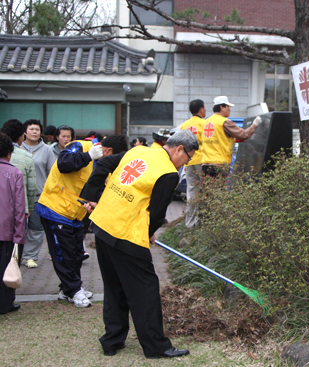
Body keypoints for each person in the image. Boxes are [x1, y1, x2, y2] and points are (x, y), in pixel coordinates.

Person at [81, 130, 198, 359]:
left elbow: (103, 163)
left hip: (103, 225)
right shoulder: (168, 173)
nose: (187, 163)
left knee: (114, 286)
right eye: (189, 158)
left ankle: (112, 340)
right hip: (127, 235)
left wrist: (92, 196)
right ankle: (156, 346)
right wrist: (149, 232)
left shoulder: (138, 150)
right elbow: (156, 214)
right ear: (179, 149)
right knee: (145, 289)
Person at [36, 134, 129, 308]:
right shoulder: (80, 146)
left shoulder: (103, 164)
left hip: (76, 214)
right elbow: (63, 164)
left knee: (77, 253)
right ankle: (74, 290)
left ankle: (68, 289)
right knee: (63, 254)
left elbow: (99, 189)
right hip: (56, 209)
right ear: (108, 151)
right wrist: (88, 157)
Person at [21, 119, 57, 269]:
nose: (34, 132)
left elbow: (51, 173)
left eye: (37, 129)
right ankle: (16, 255)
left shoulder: (47, 150)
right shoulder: (17, 148)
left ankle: (30, 256)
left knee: (36, 228)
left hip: (39, 194)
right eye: (31, 129)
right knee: (19, 228)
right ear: (25, 132)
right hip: (20, 195)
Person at [201, 96, 262, 177]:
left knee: (208, 189)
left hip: (205, 165)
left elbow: (219, 138)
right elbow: (243, 135)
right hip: (218, 166)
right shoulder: (224, 122)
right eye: (227, 107)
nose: (229, 109)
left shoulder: (205, 122)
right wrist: (255, 124)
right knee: (219, 189)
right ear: (221, 107)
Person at [0, 132, 26, 314]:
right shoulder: (14, 173)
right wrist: (19, 234)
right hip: (7, 230)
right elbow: (19, 207)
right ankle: (5, 304)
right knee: (6, 268)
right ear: (9, 153)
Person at [1, 120, 38, 227]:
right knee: (18, 239)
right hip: (20, 208)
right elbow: (32, 187)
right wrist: (29, 207)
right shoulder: (26, 157)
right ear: (21, 136)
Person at [179, 99, 205, 228]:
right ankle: (205, 222)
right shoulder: (205, 124)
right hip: (202, 160)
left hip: (188, 161)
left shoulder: (184, 125)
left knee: (192, 191)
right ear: (201, 109)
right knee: (206, 191)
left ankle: (190, 223)